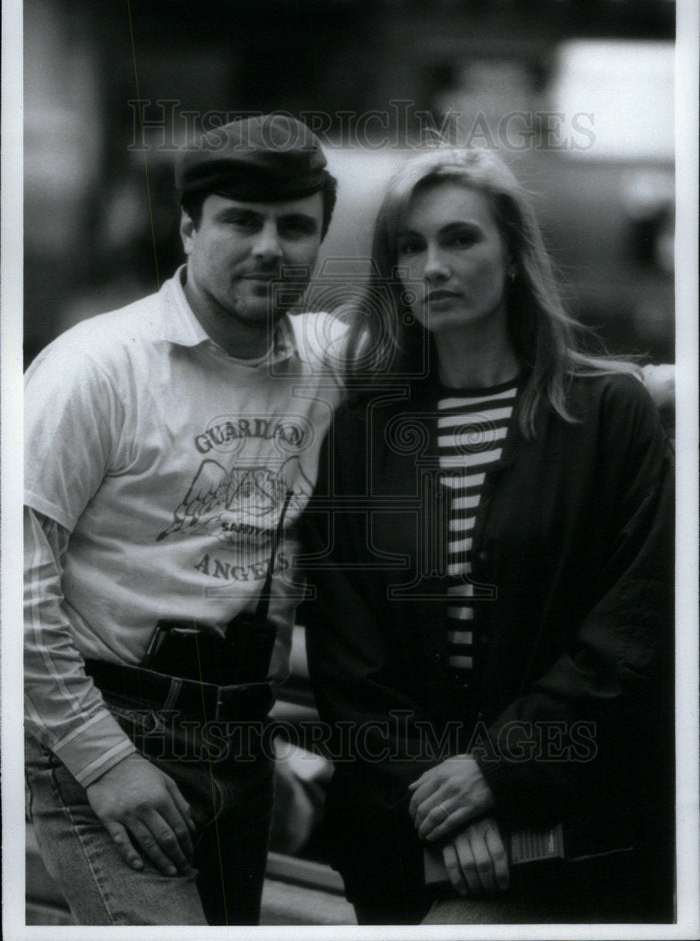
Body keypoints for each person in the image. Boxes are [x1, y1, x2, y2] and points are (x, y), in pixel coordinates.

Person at [301, 146, 674, 925]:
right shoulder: (366, 434)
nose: (433, 265)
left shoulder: (606, 414)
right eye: (411, 246)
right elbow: (347, 657)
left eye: (460, 238)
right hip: (411, 830)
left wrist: (499, 771)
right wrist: (448, 795)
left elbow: (632, 630)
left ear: (513, 258)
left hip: (586, 828)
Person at [24, 114, 345, 926]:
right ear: (189, 228)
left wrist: (654, 387)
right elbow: (15, 588)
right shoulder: (98, 367)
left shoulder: (327, 362)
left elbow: (490, 365)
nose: (270, 247)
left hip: (242, 740)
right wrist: (104, 764)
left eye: (295, 227)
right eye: (241, 220)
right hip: (107, 734)